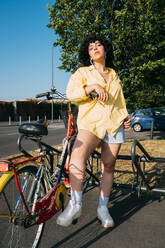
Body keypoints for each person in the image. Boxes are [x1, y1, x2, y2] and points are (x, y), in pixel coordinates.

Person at [57, 34, 131, 228]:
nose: (95, 48)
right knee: (78, 156)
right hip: (91, 123)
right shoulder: (82, 72)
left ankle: (102, 208)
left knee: (108, 165)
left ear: (105, 50)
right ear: (88, 54)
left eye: (99, 45)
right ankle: (75, 204)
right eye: (91, 47)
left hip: (114, 124)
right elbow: (71, 94)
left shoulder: (114, 74)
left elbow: (119, 100)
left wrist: (125, 116)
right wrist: (93, 86)